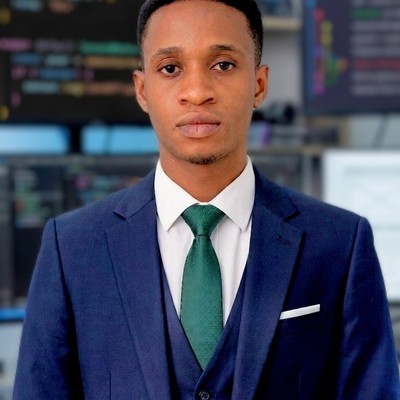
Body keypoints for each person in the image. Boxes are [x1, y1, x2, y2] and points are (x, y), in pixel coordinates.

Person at [14, 0, 400, 399]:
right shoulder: (72, 248)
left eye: (223, 65)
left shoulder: (340, 243)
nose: (197, 93)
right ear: (143, 90)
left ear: (259, 85)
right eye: (170, 68)